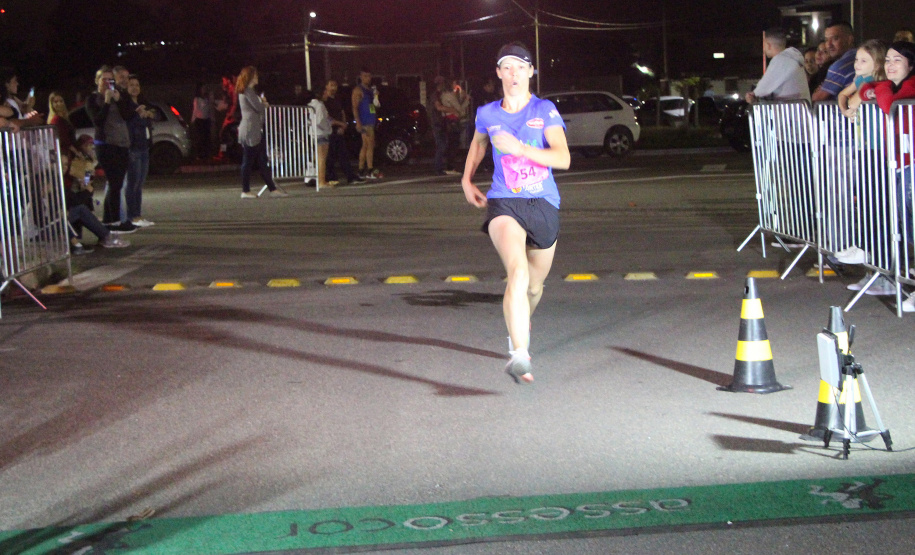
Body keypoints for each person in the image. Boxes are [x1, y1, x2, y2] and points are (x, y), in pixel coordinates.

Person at [460, 42, 570, 385]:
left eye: (520, 67)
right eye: (506, 68)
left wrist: (521, 148)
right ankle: (519, 352)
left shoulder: (545, 110)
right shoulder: (487, 113)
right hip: (504, 201)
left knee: (534, 288)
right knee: (517, 272)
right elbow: (478, 144)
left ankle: (520, 324)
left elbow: (563, 159)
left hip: (544, 204)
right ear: (498, 74)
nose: (513, 74)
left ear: (530, 73)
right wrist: (466, 179)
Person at [845, 41, 915, 307]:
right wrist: (871, 90)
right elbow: (864, 91)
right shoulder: (894, 85)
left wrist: (878, 88)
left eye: (897, 60)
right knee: (904, 224)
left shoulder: (909, 86)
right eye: (887, 60)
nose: (890, 65)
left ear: (910, 64)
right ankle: (892, 271)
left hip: (910, 164)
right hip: (900, 164)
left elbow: (887, 104)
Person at [85, 65, 138, 233]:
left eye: (111, 80)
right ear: (97, 81)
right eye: (104, 79)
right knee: (115, 183)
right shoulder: (93, 100)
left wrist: (120, 100)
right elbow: (98, 121)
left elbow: (129, 115)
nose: (108, 83)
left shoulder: (120, 95)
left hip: (122, 144)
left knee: (117, 183)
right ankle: (115, 221)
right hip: (106, 145)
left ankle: (109, 220)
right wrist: (107, 102)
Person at [236, 66, 288, 199]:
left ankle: (272, 188)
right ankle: (245, 190)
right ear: (250, 76)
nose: (257, 77)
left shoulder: (250, 91)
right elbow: (258, 107)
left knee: (261, 160)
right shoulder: (247, 91)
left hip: (254, 129)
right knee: (249, 161)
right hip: (250, 130)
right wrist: (264, 103)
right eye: (255, 75)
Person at [745, 28, 811, 104]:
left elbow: (764, 86)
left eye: (763, 45)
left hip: (791, 112)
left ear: (768, 45)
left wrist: (752, 94)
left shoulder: (781, 60)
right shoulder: (792, 58)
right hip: (801, 109)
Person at [124, 75, 156, 227]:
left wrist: (149, 114)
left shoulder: (143, 103)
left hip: (144, 147)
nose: (135, 87)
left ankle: (138, 214)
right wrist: (139, 114)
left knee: (140, 183)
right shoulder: (127, 106)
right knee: (133, 183)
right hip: (134, 148)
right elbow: (130, 122)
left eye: (137, 84)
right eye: (131, 85)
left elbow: (152, 113)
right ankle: (132, 216)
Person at [322, 79, 363, 185]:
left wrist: (344, 125)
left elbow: (342, 112)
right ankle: (331, 177)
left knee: (343, 154)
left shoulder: (337, 99)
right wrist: (340, 124)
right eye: (331, 85)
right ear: (326, 87)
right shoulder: (324, 101)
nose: (333, 88)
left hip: (339, 130)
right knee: (331, 156)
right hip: (330, 131)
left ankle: (350, 176)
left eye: (335, 85)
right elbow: (327, 117)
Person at [837, 40, 887, 117]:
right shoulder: (859, 79)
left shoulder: (873, 80)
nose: (857, 64)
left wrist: (846, 109)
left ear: (877, 65)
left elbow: (852, 103)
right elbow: (842, 94)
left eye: (863, 61)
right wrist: (844, 111)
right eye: (856, 59)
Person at [812, 22, 857, 101]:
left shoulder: (840, 66)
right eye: (826, 40)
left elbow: (817, 98)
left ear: (850, 39)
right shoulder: (862, 57)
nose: (829, 45)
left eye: (835, 38)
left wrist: (820, 90)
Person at [351, 68, 382, 180]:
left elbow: (375, 106)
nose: (367, 78)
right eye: (365, 76)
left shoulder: (370, 90)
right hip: (365, 122)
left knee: (365, 146)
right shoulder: (358, 90)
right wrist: (358, 122)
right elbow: (354, 107)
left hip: (371, 120)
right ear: (361, 77)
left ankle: (361, 170)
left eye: (369, 76)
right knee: (370, 145)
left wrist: (376, 96)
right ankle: (369, 169)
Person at [430, 76, 458, 176]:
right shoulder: (435, 95)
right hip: (437, 123)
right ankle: (438, 168)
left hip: (441, 122)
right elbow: (438, 107)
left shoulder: (439, 94)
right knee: (441, 145)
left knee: (444, 144)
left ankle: (441, 167)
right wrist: (452, 110)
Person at [308, 88, 336, 188]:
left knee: (320, 158)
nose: (326, 94)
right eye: (324, 92)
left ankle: (320, 180)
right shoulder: (319, 105)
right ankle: (321, 181)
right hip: (321, 133)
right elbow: (320, 121)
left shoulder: (311, 104)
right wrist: (328, 128)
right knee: (322, 159)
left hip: (314, 133)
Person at [191, 83, 213, 159]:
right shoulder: (197, 99)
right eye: (203, 88)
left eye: (205, 88)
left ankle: (206, 154)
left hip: (206, 120)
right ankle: (199, 155)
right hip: (199, 120)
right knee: (200, 138)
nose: (204, 90)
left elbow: (209, 108)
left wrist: (211, 118)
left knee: (206, 138)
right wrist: (193, 120)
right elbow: (195, 110)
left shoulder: (207, 98)